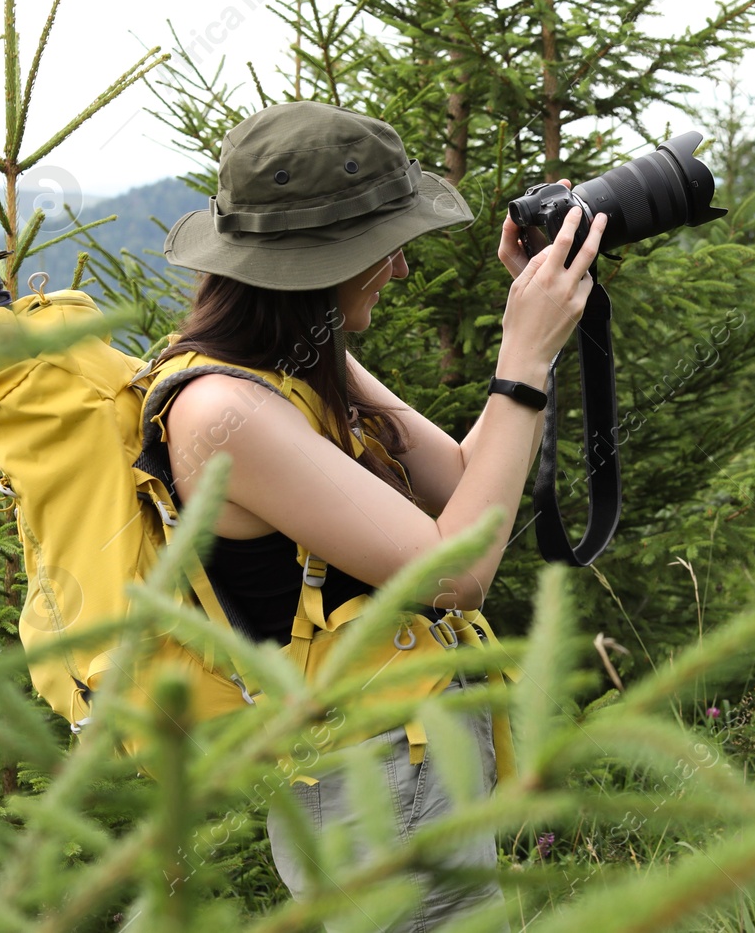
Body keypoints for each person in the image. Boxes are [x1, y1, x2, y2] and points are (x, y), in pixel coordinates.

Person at [156, 100, 606, 932]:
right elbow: (459, 570)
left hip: (412, 765)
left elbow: (466, 480)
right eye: (385, 248)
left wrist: (530, 317)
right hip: (372, 793)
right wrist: (523, 357)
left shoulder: (304, 367)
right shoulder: (222, 411)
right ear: (324, 260)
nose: (399, 270)